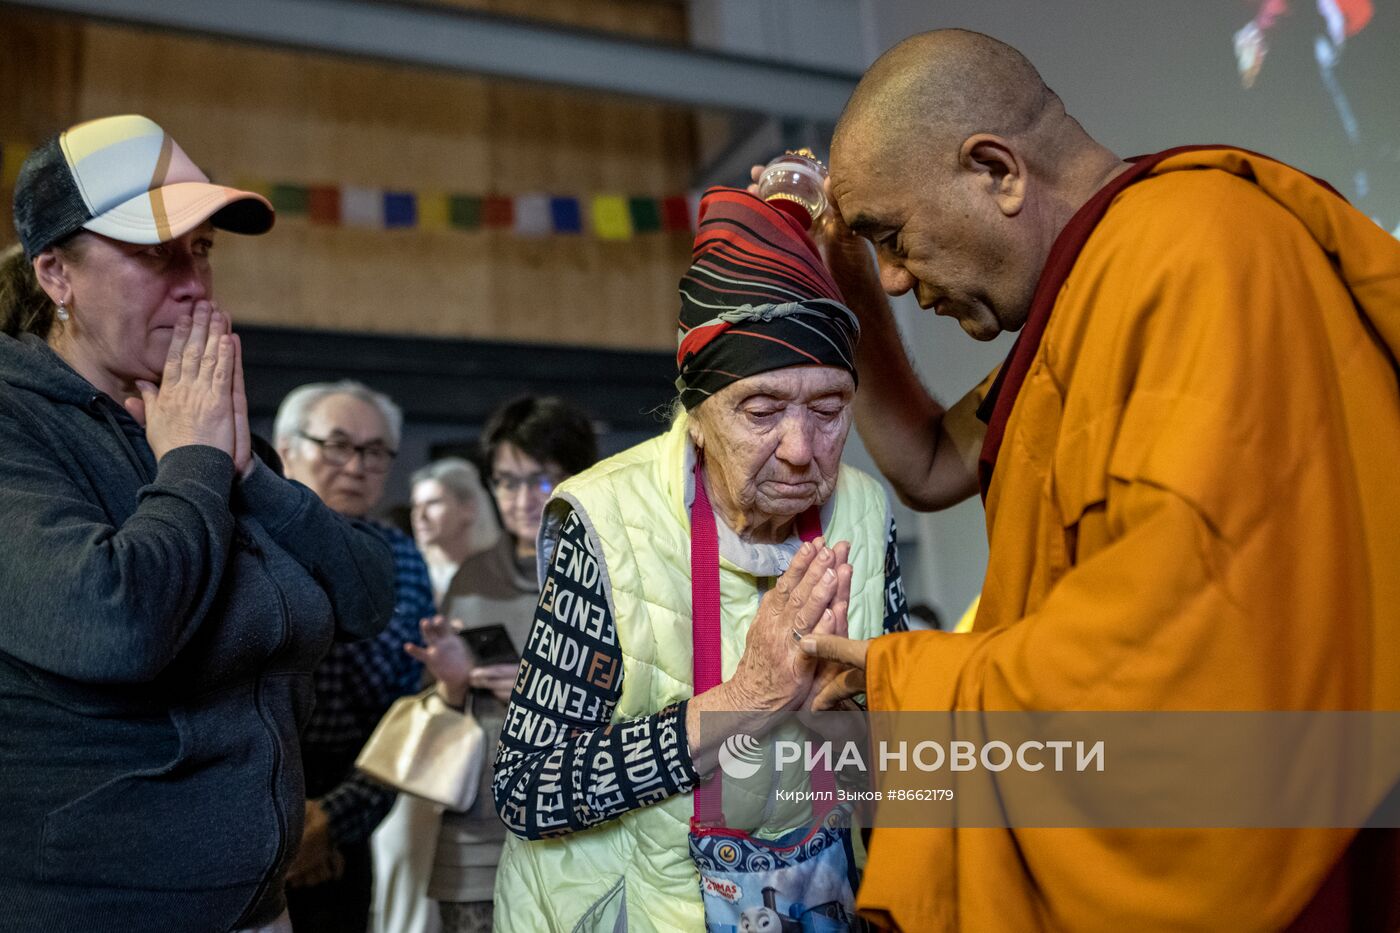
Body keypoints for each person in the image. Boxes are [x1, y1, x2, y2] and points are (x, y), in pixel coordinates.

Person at [793, 29, 1400, 931]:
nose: (895, 276)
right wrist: (845, 281)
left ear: (996, 170)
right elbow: (927, 462)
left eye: (893, 237)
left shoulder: (1194, 253)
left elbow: (1187, 656)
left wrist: (917, 684)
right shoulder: (1086, 293)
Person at [0, 114, 395, 933]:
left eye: (202, 250)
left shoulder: (204, 424)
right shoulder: (20, 423)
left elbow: (365, 596)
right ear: (55, 275)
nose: (192, 281)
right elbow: (115, 624)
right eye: (153, 252)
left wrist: (247, 470)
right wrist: (194, 466)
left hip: (259, 909)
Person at [488, 188, 911, 932]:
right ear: (699, 412)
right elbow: (528, 789)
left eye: (828, 407)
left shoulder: (866, 514)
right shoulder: (610, 522)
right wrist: (744, 698)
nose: (800, 448)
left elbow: (897, 781)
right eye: (761, 408)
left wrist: (839, 720)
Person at [397, 396, 598, 933]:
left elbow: (650, 701)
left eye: (538, 480)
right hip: (476, 832)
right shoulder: (473, 576)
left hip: (580, 828)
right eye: (505, 481)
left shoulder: (610, 575)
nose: (519, 499)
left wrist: (543, 695)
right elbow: (435, 704)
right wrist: (450, 680)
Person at [272, 380, 436, 933]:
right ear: (286, 447)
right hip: (242, 803)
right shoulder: (242, 541)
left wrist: (330, 821)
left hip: (352, 807)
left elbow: (411, 709)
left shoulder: (402, 559)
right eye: (338, 445)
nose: (356, 465)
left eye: (373, 451)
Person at [410, 457, 501, 606]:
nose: (420, 516)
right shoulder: (410, 575)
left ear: (468, 508)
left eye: (433, 503)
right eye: (415, 505)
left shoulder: (500, 573)